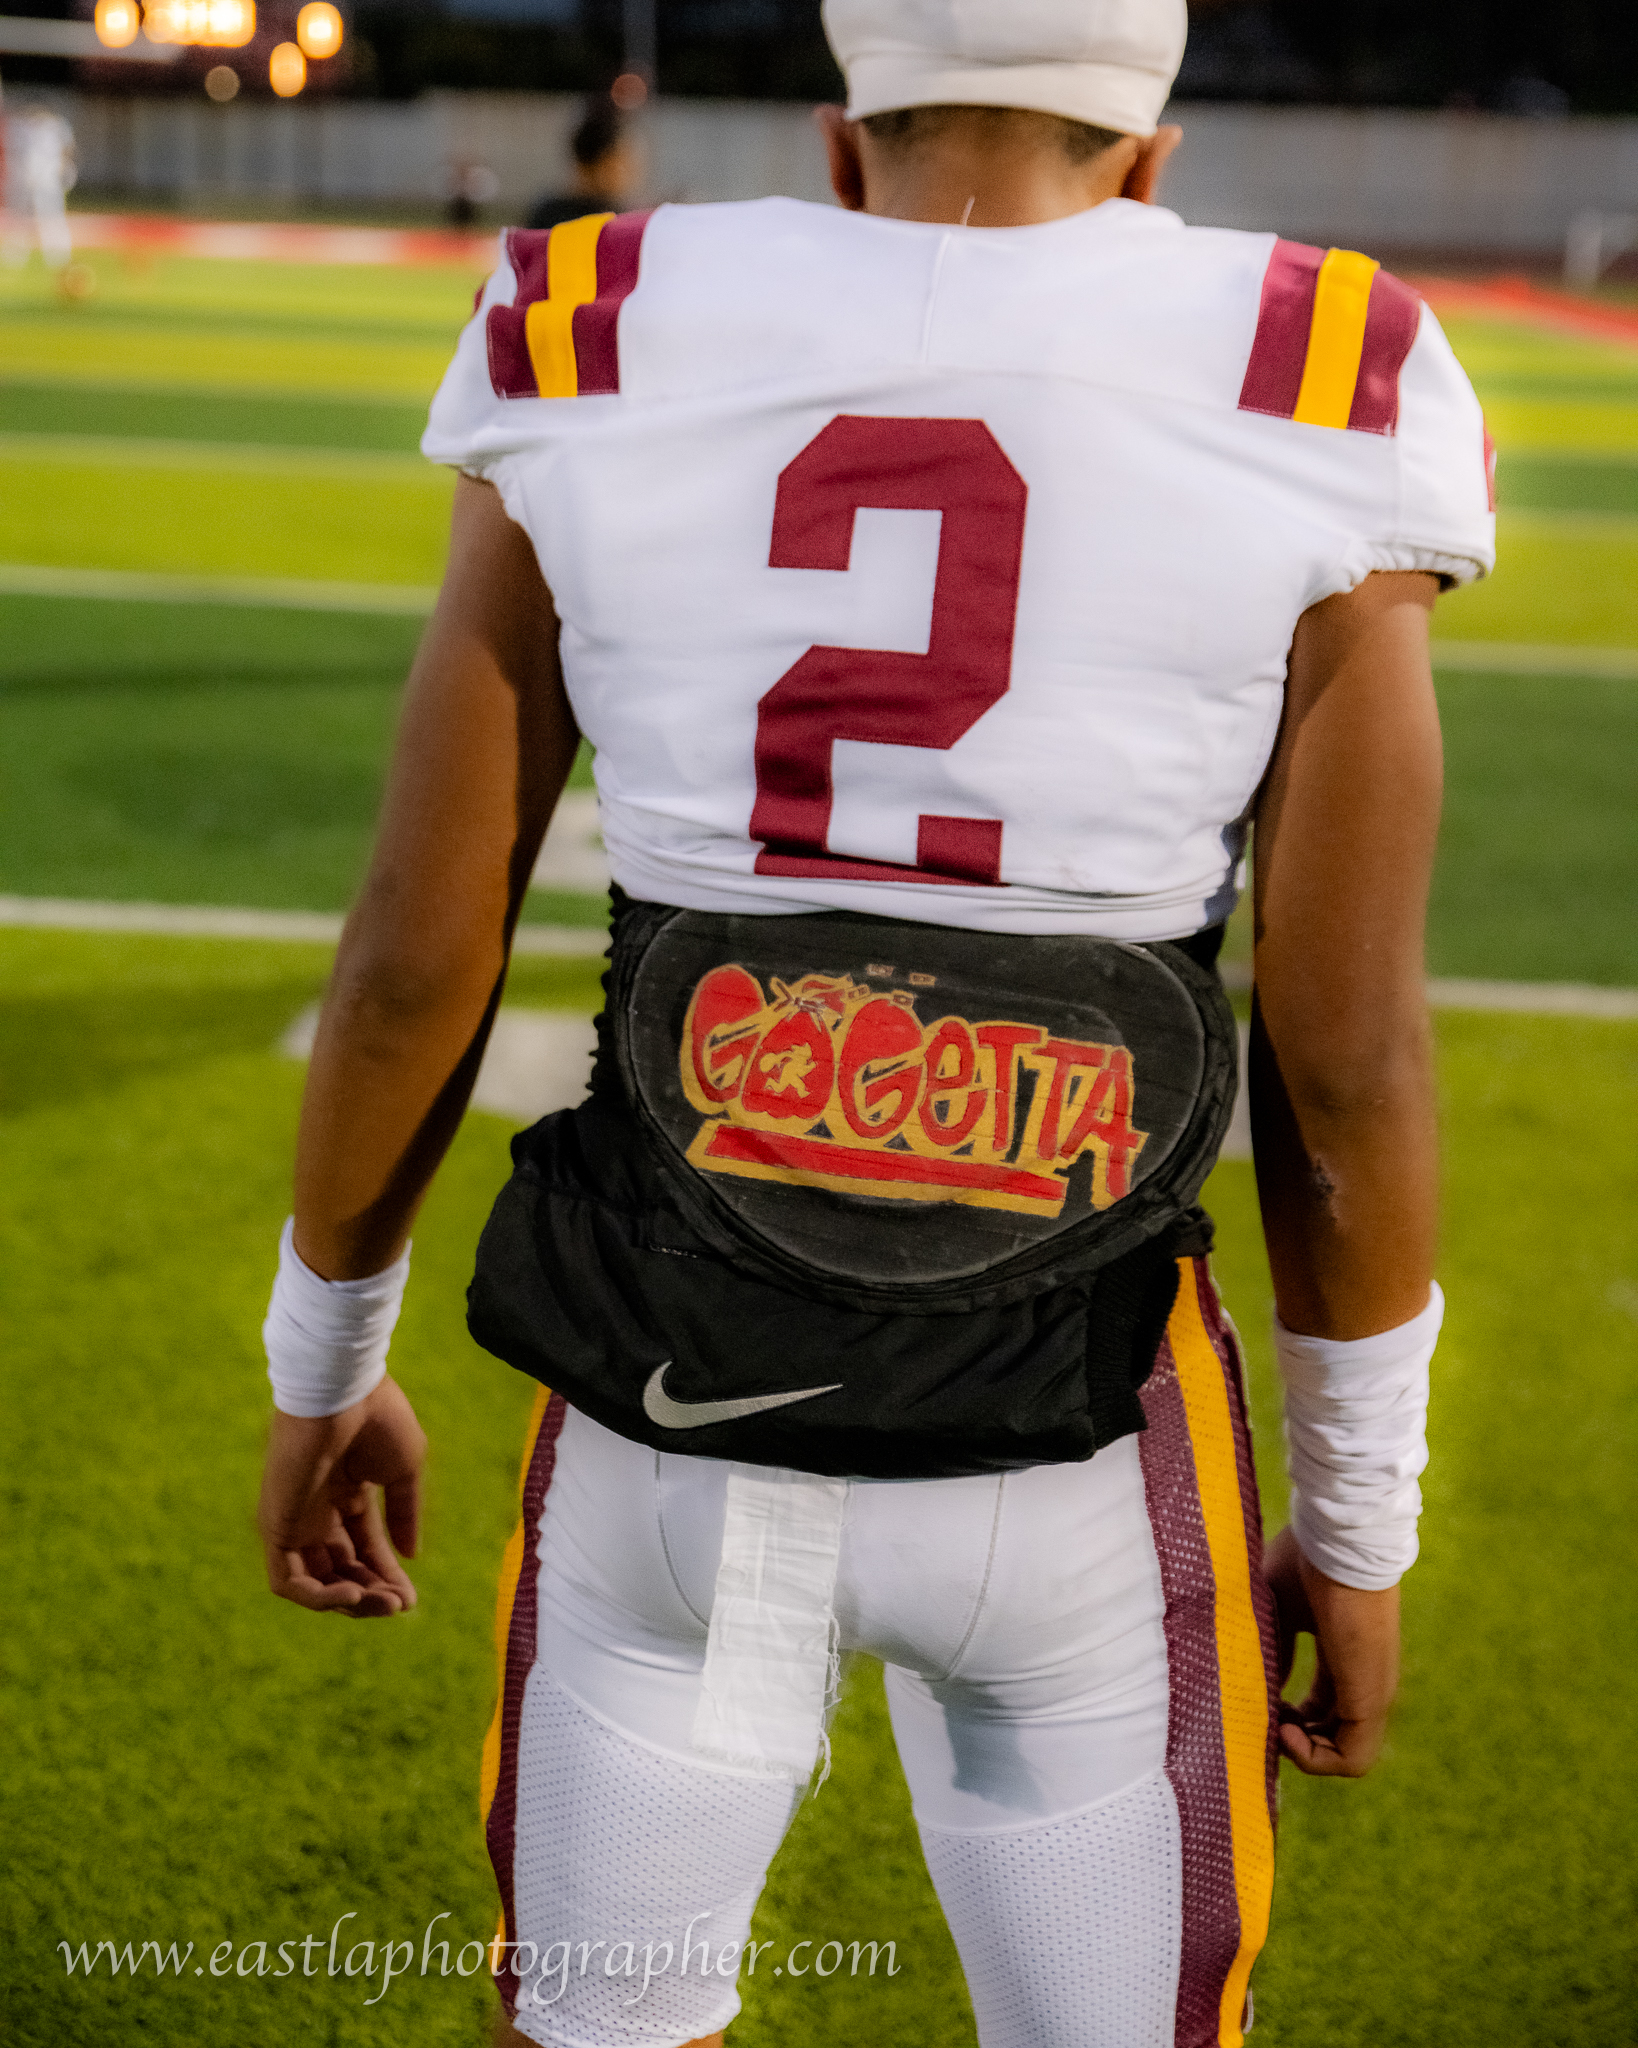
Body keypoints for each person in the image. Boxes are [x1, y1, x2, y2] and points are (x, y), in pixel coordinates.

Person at [255, 2, 1495, 2044]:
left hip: (664, 1413)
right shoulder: (1320, 361)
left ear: (843, 143)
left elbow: (412, 954)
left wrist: (324, 1364)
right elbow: (1344, 1054)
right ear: (1152, 159)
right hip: (1072, 1434)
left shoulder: (590, 313)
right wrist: (1357, 1528)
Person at [526, 91, 641, 233]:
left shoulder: (546, 211)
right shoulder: (613, 222)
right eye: (623, 164)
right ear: (600, 165)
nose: (632, 172)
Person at [2, 103, 76, 274]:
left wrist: (64, 169)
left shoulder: (54, 127)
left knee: (50, 217)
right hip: (24, 180)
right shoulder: (20, 127)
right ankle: (14, 254)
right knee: (19, 218)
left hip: (46, 180)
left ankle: (58, 255)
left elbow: (67, 150)